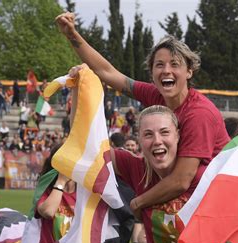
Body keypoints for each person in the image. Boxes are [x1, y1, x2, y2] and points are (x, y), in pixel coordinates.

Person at [56, 13, 229, 220]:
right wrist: (72, 35)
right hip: (186, 195)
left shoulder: (199, 114)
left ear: (189, 72)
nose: (167, 71)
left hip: (217, 201)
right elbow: (108, 72)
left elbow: (182, 179)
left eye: (175, 64)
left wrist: (139, 202)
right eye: (160, 65)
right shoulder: (156, 95)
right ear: (152, 72)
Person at [111, 105, 237, 243]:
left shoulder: (206, 176)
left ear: (179, 136)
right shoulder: (137, 170)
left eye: (165, 132)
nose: (157, 140)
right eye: (148, 134)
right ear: (139, 140)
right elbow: (86, 147)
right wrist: (83, 87)